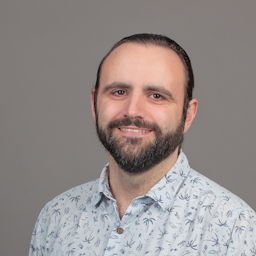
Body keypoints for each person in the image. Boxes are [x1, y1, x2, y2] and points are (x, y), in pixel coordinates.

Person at [29, 34, 256, 256]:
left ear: (187, 115)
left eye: (156, 96)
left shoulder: (234, 228)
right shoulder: (55, 217)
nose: (133, 110)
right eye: (119, 92)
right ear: (94, 103)